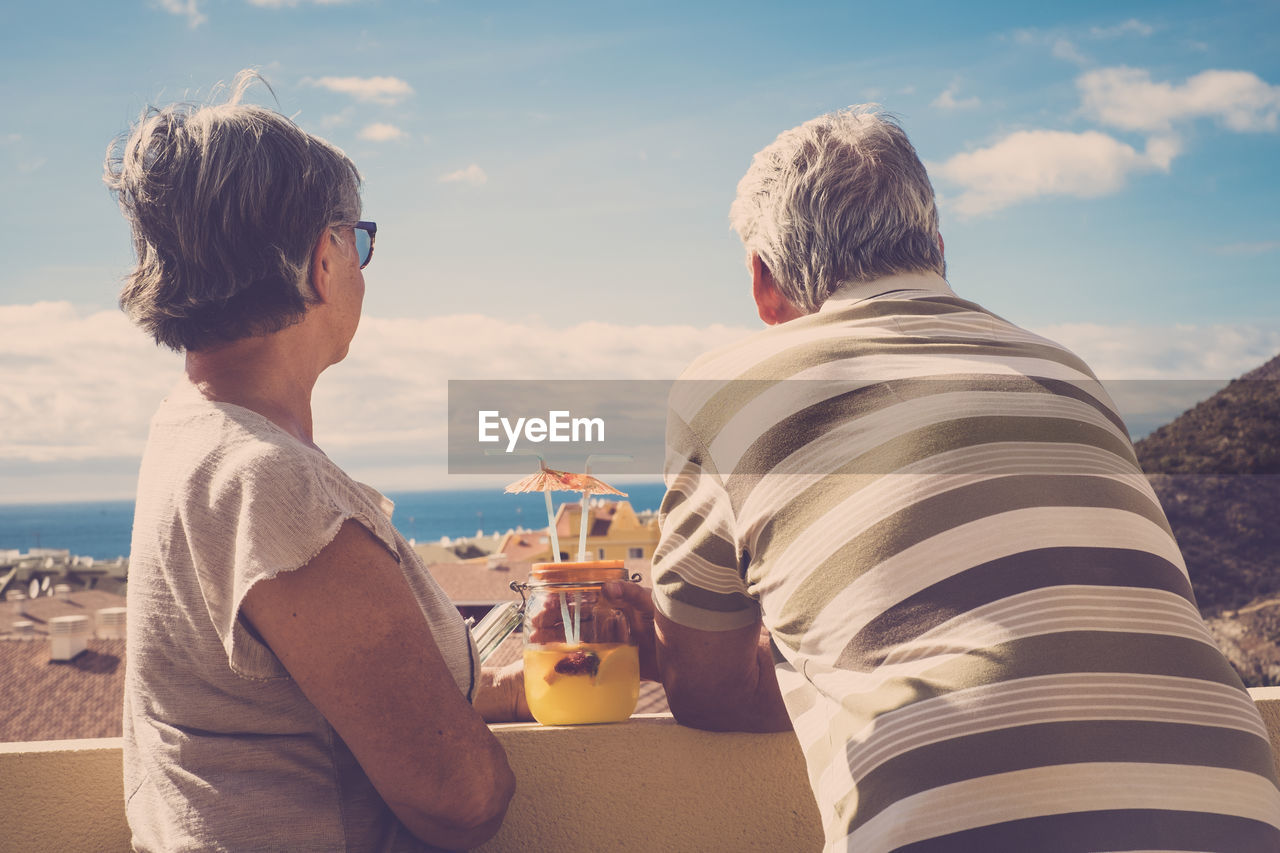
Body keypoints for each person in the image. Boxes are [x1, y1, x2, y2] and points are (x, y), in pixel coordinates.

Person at [630, 106, 1280, 851]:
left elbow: (709, 690)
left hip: (953, 812)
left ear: (763, 285)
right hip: (1235, 798)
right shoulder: (1066, 368)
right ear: (936, 249)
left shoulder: (725, 386)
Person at [106, 72, 529, 852]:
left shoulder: (188, 435)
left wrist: (495, 691)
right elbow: (461, 798)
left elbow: (303, 706)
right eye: (357, 237)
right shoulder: (272, 483)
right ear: (322, 259)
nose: (362, 265)